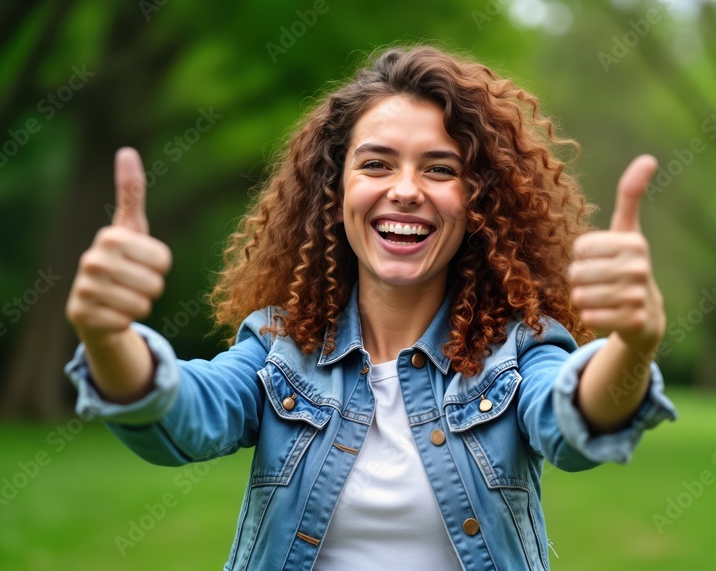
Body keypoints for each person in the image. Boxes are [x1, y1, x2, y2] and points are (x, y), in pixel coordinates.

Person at [64, 45, 677, 571]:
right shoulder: (280, 349)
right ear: (335, 193)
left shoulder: (515, 351)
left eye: (440, 169)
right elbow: (183, 418)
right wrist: (107, 336)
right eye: (376, 163)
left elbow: (575, 425)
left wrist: (632, 346)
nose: (405, 190)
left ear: (478, 204)